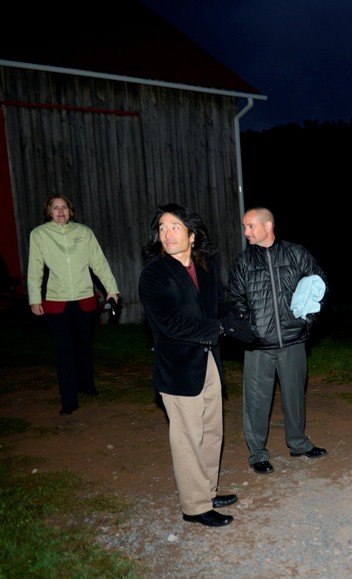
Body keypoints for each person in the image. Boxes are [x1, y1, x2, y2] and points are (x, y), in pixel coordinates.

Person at [138, 203, 241, 527]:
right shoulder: (154, 275)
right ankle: (194, 506)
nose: (167, 234)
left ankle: (207, 491)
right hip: (179, 365)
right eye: (163, 228)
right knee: (187, 436)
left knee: (212, 429)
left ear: (192, 236)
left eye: (175, 227)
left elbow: (212, 305)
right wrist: (221, 329)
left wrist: (239, 311)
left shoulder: (205, 265)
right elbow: (172, 323)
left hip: (208, 358)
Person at [228, 207, 328, 475]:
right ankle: (258, 454)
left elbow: (318, 283)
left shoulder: (296, 253)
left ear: (268, 225)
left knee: (295, 396)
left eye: (250, 226)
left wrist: (306, 321)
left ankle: (298, 443)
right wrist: (250, 329)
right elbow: (235, 299)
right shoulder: (243, 262)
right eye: (245, 227)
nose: (246, 232)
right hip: (259, 345)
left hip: (293, 340)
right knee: (256, 402)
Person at [27, 195, 120, 415]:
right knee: (63, 351)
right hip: (56, 303)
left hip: (84, 300)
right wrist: (34, 298)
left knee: (84, 346)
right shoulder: (39, 234)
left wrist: (112, 290)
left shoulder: (84, 232)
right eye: (55, 207)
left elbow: (99, 262)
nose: (60, 211)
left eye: (64, 207)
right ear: (49, 212)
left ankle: (87, 386)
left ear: (71, 211)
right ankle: (69, 400)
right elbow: (35, 269)